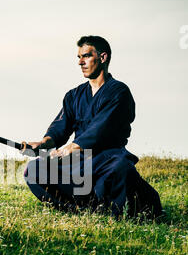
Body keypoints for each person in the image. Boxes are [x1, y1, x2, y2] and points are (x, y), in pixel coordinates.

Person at [23, 35, 162, 219]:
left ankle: (121, 209)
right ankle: (80, 208)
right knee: (34, 170)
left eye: (86, 56)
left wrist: (70, 148)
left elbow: (101, 128)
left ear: (102, 57)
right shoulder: (74, 95)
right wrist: (42, 144)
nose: (80, 62)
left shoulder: (119, 92)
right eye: (79, 57)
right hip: (79, 161)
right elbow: (60, 128)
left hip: (109, 158)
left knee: (119, 169)